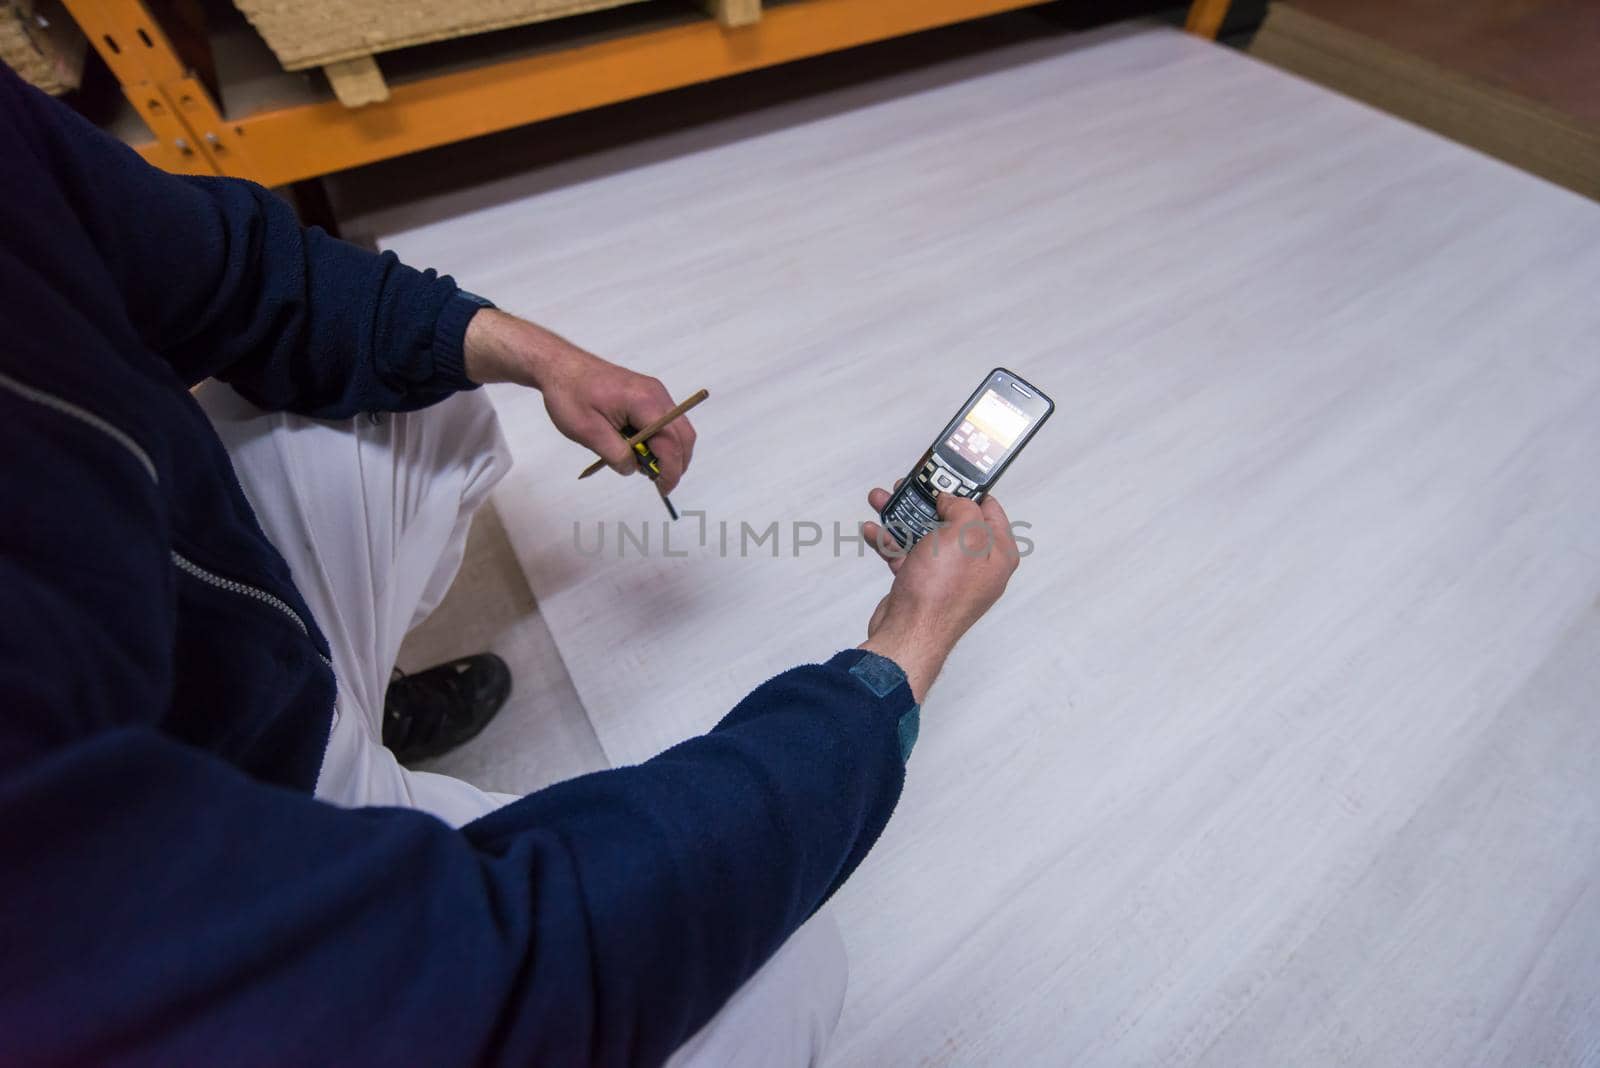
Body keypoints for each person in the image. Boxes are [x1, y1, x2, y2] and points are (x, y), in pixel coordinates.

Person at [0, 64, 1020, 1067]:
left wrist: (545, 359)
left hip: (227, 638)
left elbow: (243, 270)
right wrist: (901, 651)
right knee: (784, 967)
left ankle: (357, 705)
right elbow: (511, 976)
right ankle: (346, 783)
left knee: (434, 390)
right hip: (221, 836)